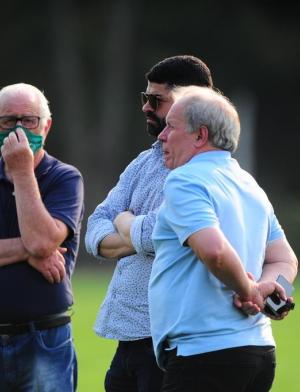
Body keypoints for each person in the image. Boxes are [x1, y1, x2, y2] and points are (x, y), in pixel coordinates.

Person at [148, 86, 298, 392]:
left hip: (204, 355)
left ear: (200, 136)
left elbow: (213, 251)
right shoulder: (248, 183)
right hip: (259, 352)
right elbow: (285, 259)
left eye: (171, 127)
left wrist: (251, 291)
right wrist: (273, 290)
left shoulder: (185, 180)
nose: (162, 136)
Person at [84, 55, 213, 391]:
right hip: (127, 339)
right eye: (145, 98)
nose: (145, 107)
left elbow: (162, 235)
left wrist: (126, 221)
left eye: (156, 100)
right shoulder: (145, 160)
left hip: (168, 340)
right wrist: (140, 234)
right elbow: (96, 226)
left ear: (191, 102)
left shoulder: (203, 169)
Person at [0, 83, 84, 391]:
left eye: (29, 120)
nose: (19, 129)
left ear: (47, 126)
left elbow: (42, 241)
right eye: (9, 121)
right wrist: (26, 253)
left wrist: (23, 170)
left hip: (45, 339)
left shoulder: (65, 178)